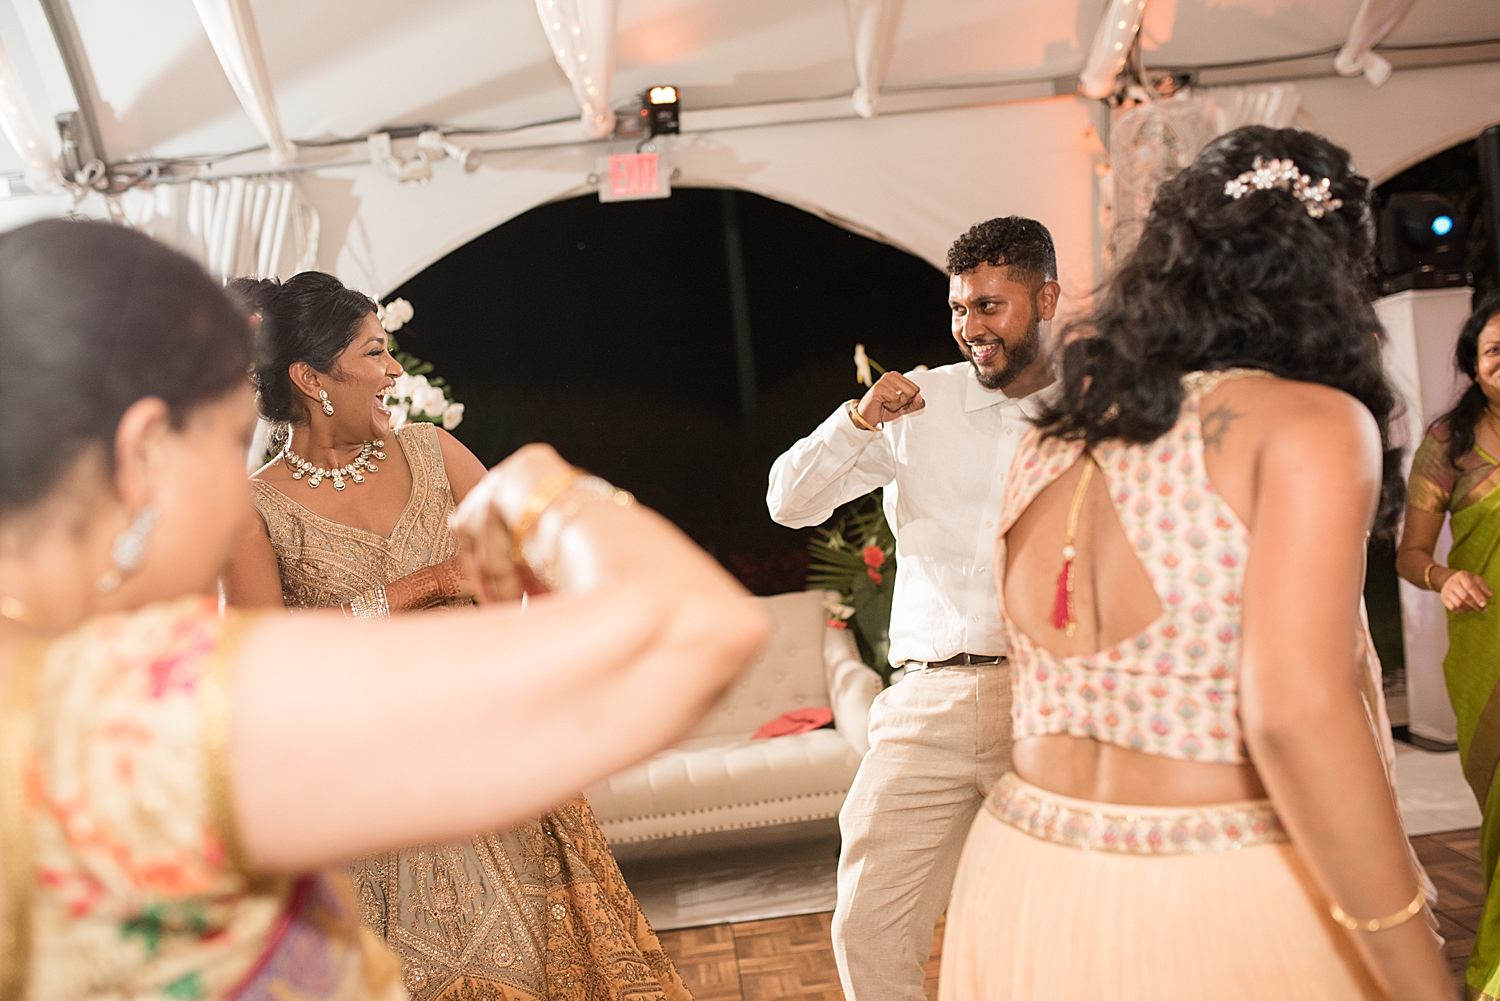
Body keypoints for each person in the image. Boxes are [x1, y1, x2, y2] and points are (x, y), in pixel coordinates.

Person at [0, 219, 767, 998]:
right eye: (229, 444)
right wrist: (540, 490)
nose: (240, 486)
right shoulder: (148, 715)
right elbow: (696, 625)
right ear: (142, 452)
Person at [939, 126, 1449, 1000]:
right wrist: (1417, 972)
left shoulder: (1061, 433)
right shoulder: (1308, 426)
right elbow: (1293, 715)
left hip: (1026, 871)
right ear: (1325, 277)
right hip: (1207, 879)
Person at [223, 272, 693, 1001]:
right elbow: (260, 661)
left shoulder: (435, 452)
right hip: (376, 801)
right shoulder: (254, 510)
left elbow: (535, 579)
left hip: (502, 761)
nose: (395, 370)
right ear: (311, 377)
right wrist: (418, 588)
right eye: (374, 353)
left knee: (556, 964)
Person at [766, 217, 1060, 1001]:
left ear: (1047, 298)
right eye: (960, 309)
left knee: (1050, 924)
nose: (972, 328)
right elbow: (788, 503)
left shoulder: (1094, 418)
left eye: (991, 307)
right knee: (867, 920)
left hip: (1045, 704)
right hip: (924, 701)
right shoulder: (918, 405)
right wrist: (858, 419)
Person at [1397, 288, 1500, 999]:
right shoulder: (1448, 444)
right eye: (1495, 351)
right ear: (1474, 363)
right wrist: (1445, 575)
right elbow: (1408, 554)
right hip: (1486, 644)